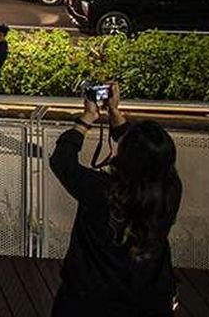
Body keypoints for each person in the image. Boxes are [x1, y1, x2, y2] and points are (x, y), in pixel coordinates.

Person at [49, 83, 181, 316]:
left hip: (88, 298)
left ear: (127, 155)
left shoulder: (101, 190)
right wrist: (115, 113)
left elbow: (62, 160)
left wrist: (86, 119)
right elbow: (143, 153)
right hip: (150, 298)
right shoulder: (170, 188)